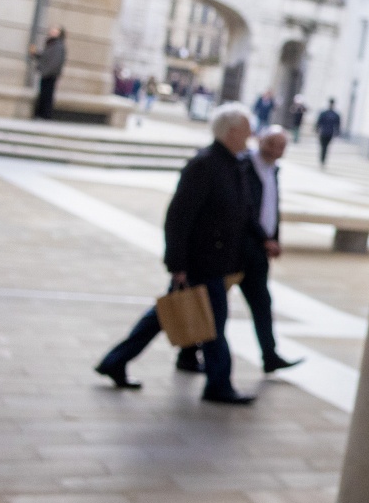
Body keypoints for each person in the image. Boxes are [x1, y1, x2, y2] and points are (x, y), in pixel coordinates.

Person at [94, 104, 259, 405]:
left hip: (216, 262)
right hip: (201, 261)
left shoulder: (233, 164)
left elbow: (241, 213)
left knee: (163, 316)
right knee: (213, 323)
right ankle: (219, 384)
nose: (250, 135)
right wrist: (177, 265)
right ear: (231, 131)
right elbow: (179, 218)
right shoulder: (205, 164)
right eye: (246, 129)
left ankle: (115, 361)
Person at [177, 127, 302, 376]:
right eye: (274, 144)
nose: (279, 151)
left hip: (258, 251)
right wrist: (264, 237)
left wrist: (274, 238)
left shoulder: (273, 170)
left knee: (261, 303)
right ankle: (190, 355)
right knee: (208, 304)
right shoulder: (241, 165)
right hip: (234, 249)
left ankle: (269, 355)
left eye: (282, 146)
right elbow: (244, 210)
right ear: (261, 142)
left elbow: (270, 207)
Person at [29, 26, 66, 119]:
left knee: (47, 95)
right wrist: (35, 54)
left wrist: (46, 71)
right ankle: (41, 114)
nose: (52, 31)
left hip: (50, 75)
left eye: (55, 30)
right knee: (43, 94)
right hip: (46, 73)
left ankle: (45, 115)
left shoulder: (58, 46)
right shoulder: (51, 44)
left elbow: (55, 62)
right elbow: (45, 57)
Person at [315, 98, 341, 166]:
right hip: (326, 132)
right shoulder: (332, 114)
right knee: (324, 147)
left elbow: (337, 125)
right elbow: (319, 122)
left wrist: (317, 129)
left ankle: (322, 159)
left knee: (324, 147)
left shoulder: (328, 113)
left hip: (327, 133)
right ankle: (322, 159)